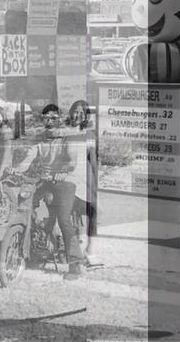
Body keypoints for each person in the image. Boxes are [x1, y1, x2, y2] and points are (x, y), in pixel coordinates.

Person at [17, 104, 85, 280]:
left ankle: (76, 264)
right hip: (46, 180)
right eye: (46, 117)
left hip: (66, 181)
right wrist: (14, 170)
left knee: (63, 219)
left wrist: (64, 171)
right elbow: (28, 159)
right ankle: (39, 250)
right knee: (27, 206)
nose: (50, 121)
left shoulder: (66, 137)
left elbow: (72, 160)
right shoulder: (41, 139)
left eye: (53, 118)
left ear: (59, 119)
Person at [66, 100, 101, 267]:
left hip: (84, 179)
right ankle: (72, 248)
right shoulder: (65, 132)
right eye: (75, 111)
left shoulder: (89, 134)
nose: (78, 115)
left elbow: (93, 160)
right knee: (68, 212)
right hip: (67, 178)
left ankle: (91, 249)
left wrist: (94, 183)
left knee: (93, 212)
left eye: (82, 112)